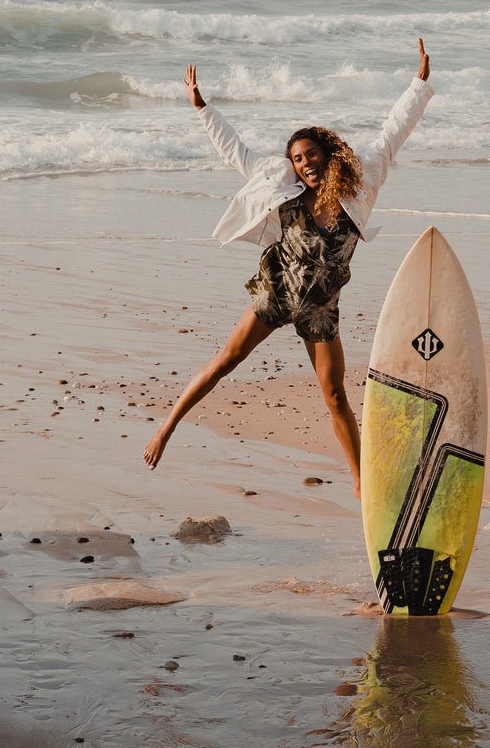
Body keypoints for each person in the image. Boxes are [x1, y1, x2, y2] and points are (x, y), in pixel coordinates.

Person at [143, 39, 434, 491]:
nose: (305, 164)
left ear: (326, 152)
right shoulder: (285, 188)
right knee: (225, 361)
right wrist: (203, 108)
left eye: (310, 155)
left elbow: (391, 135)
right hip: (276, 292)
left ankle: (360, 481)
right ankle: (167, 427)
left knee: (335, 395)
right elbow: (235, 152)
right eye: (297, 159)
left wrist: (418, 84)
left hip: (320, 308)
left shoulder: (360, 185)